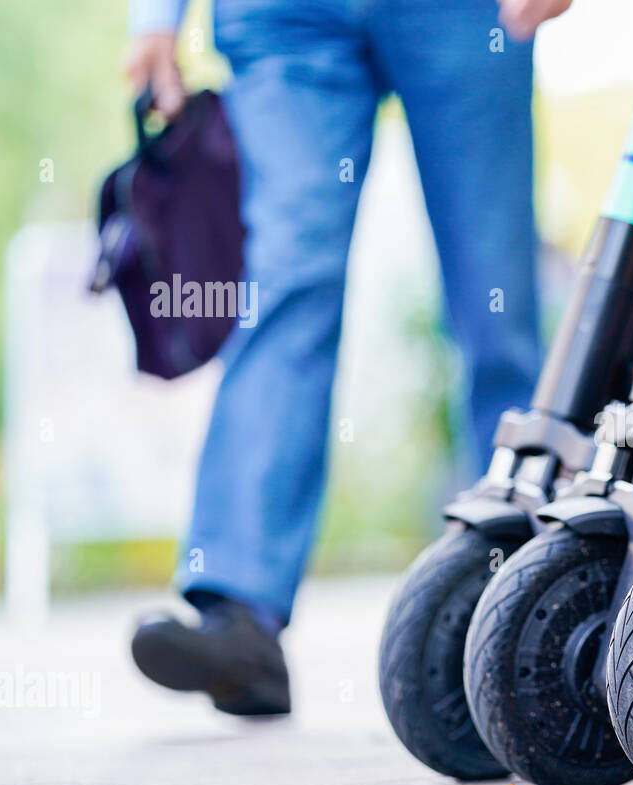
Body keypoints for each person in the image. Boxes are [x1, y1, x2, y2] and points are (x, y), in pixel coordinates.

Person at [126, 0, 572, 716]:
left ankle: (529, 600)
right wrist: (153, 15)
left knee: (496, 301)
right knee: (282, 288)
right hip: (284, 17)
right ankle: (240, 613)